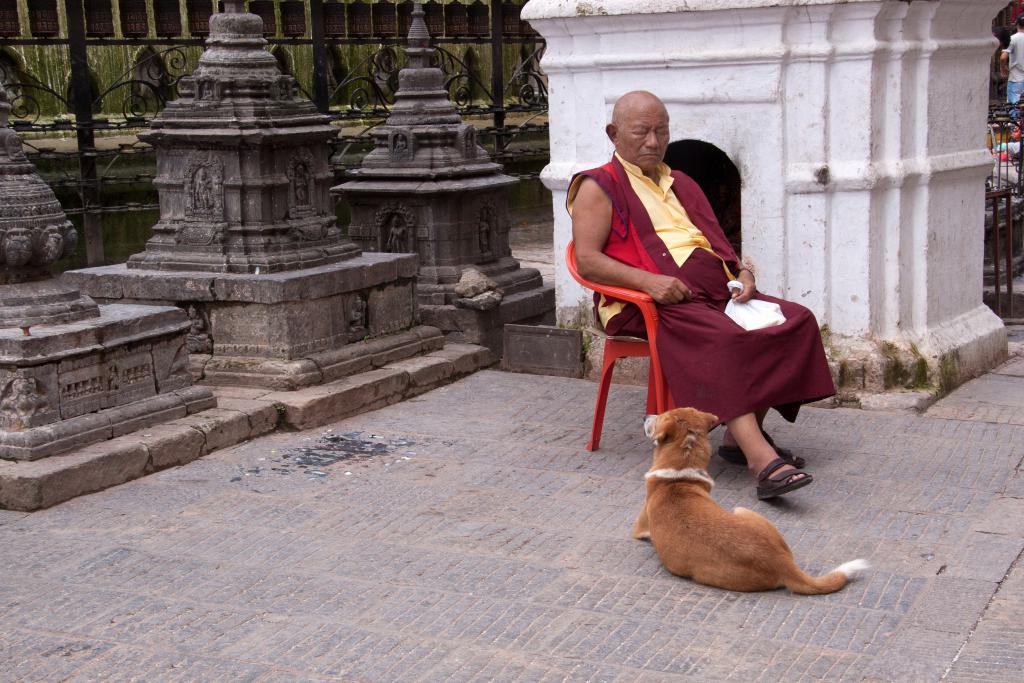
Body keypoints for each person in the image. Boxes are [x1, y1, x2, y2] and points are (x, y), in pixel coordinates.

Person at [569, 91, 836, 500]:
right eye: (641, 132)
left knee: (792, 321)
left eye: (662, 132)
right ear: (614, 133)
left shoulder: (682, 182)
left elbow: (717, 243)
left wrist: (743, 272)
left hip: (713, 292)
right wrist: (649, 282)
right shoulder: (598, 186)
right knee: (725, 338)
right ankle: (762, 461)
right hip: (647, 301)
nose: (654, 142)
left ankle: (733, 438)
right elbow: (586, 261)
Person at [1005, 16, 1024, 105]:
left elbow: (1003, 57)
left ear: (1017, 25)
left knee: (1014, 111)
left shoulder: (1012, 39)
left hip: (1016, 79)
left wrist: (1002, 68)